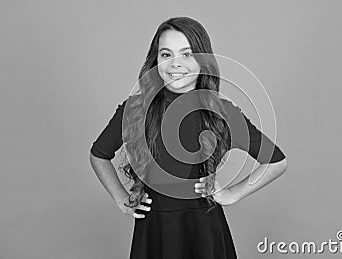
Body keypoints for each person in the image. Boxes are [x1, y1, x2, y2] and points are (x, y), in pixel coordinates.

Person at [89, 16, 288, 259]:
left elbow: (276, 161)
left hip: (204, 231)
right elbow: (99, 155)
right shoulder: (134, 110)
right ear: (156, 61)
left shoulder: (222, 113)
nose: (176, 64)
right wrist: (120, 197)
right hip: (154, 231)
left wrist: (231, 194)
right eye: (166, 55)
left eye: (187, 54)